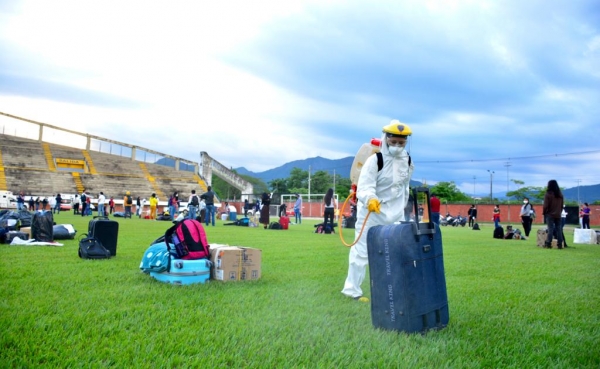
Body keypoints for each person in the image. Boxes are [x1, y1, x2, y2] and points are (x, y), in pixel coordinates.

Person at [342, 120, 414, 301]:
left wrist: (405, 207)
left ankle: (389, 291)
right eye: (394, 142)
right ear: (386, 138)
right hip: (372, 213)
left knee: (393, 253)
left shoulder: (408, 161)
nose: (397, 146)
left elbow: (404, 187)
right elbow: (365, 186)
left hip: (395, 215)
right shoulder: (376, 160)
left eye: (401, 142)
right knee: (361, 252)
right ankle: (352, 291)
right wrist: (370, 199)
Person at [542, 180, 564, 249]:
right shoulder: (560, 194)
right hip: (558, 214)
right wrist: (559, 211)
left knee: (550, 229)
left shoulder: (548, 194)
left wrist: (544, 212)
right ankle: (560, 244)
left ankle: (548, 243)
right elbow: (562, 205)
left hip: (550, 214)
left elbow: (545, 205)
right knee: (559, 229)